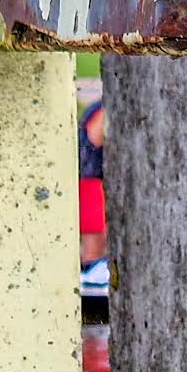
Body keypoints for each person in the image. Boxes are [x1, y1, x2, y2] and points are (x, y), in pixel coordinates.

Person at [78, 100, 108, 297]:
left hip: (91, 179)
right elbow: (92, 142)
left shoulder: (100, 108)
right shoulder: (104, 109)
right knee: (93, 254)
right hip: (91, 182)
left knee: (95, 254)